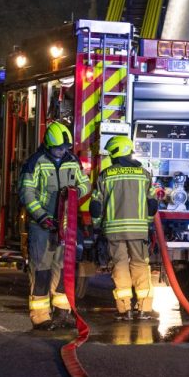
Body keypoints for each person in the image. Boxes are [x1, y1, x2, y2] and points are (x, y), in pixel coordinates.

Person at [19, 121, 90, 330]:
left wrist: (75, 191)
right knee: (41, 267)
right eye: (59, 148)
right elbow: (27, 193)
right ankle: (41, 316)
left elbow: (85, 183)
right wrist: (41, 216)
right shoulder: (35, 162)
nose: (63, 151)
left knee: (63, 267)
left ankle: (62, 312)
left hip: (65, 224)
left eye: (66, 147)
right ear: (49, 145)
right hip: (41, 225)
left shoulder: (72, 160)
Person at [90, 136, 159, 321]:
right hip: (138, 230)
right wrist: (147, 222)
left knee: (119, 265)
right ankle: (144, 309)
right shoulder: (144, 174)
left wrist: (97, 226)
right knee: (140, 264)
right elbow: (153, 204)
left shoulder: (106, 175)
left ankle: (124, 309)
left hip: (114, 231)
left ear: (115, 153)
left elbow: (95, 205)